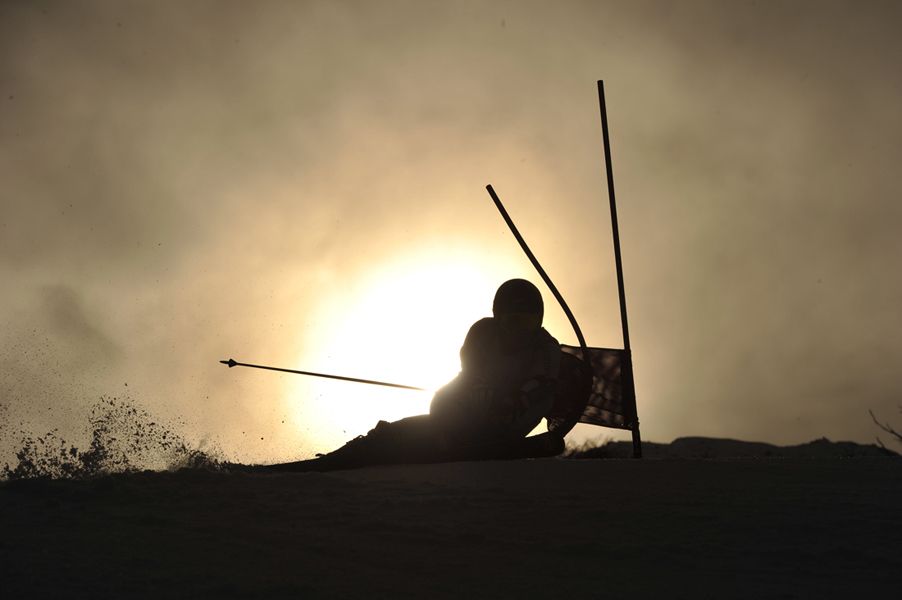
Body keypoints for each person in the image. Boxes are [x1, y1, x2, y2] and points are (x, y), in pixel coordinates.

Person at [267, 279, 562, 472]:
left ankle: (410, 446)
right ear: (498, 317)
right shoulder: (483, 333)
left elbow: (542, 385)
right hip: (461, 418)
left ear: (538, 321)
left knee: (422, 437)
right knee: (404, 429)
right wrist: (480, 392)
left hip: (501, 429)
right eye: (511, 320)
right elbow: (470, 370)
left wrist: (517, 400)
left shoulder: (545, 349)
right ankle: (342, 459)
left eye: (526, 322)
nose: (518, 330)